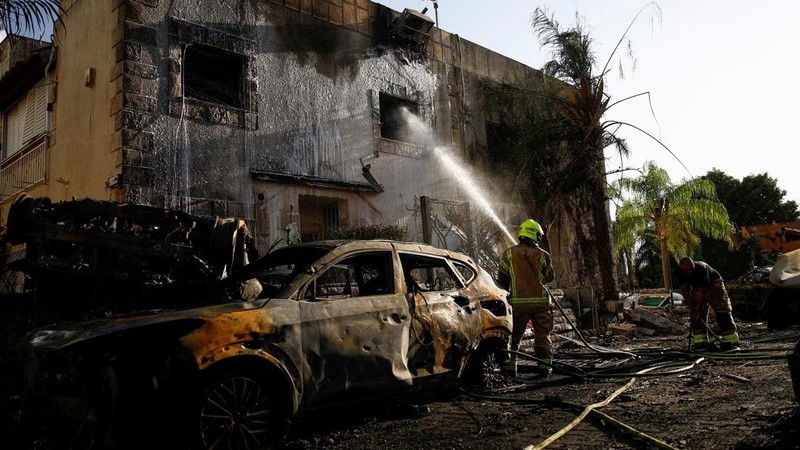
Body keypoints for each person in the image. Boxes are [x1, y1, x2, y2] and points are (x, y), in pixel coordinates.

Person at [496, 219, 555, 377]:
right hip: (541, 304)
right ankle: (544, 368)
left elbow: (502, 281)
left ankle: (510, 370)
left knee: (514, 337)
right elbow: (549, 277)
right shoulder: (543, 255)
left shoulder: (508, 254)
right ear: (535, 235)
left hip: (518, 304)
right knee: (543, 335)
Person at [675, 256, 740, 351]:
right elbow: (685, 291)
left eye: (691, 269)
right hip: (697, 287)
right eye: (686, 271)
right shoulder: (679, 272)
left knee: (722, 310)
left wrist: (696, 310)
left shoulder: (702, 269)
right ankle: (700, 343)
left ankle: (732, 341)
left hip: (714, 284)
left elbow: (702, 293)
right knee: (697, 317)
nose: (689, 272)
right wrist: (692, 310)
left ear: (693, 265)